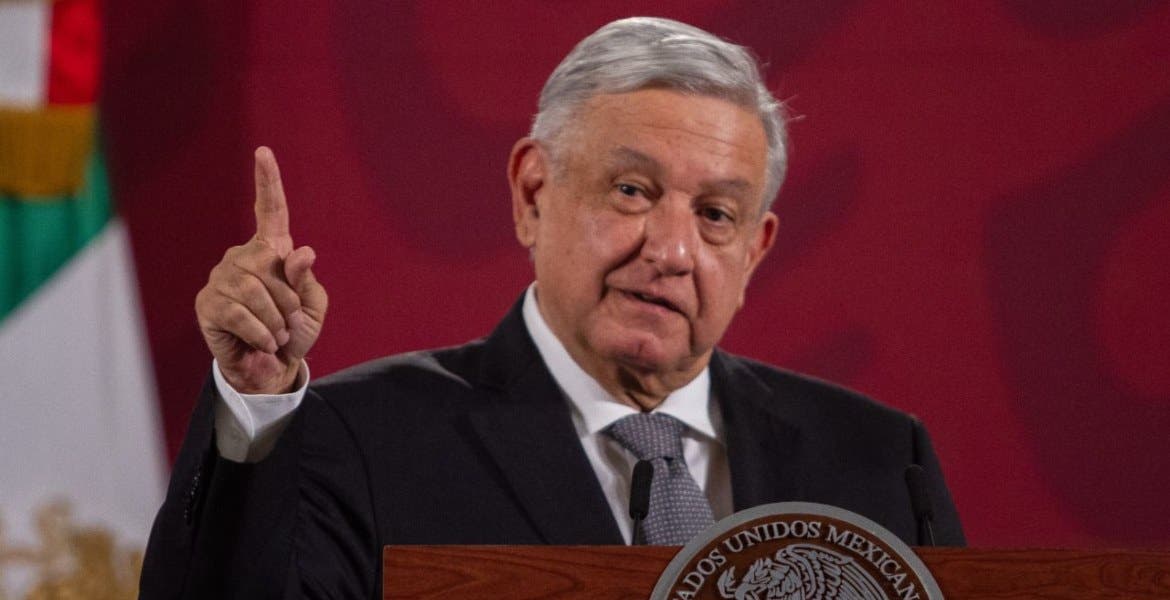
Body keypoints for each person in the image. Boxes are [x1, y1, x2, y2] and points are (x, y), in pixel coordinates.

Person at [140, 16, 964, 599]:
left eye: (716, 214)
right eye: (632, 190)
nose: (673, 250)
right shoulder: (362, 439)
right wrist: (256, 405)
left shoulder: (878, 462)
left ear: (755, 249)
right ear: (533, 192)